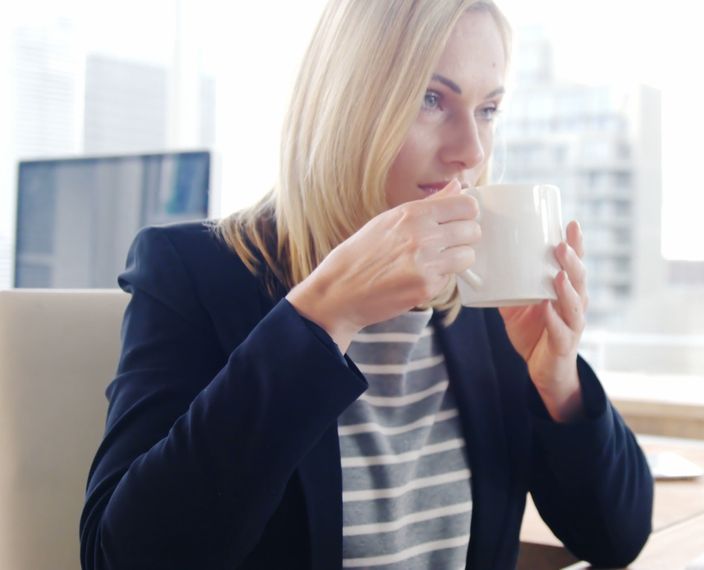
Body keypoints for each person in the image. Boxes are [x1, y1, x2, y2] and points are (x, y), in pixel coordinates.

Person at [78, 1, 653, 569]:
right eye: (432, 99)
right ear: (346, 104)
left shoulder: (485, 298)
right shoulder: (195, 273)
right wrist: (323, 319)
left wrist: (559, 381)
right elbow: (121, 557)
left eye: (488, 109)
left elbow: (616, 537)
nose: (471, 152)